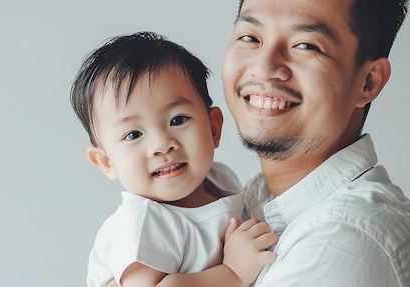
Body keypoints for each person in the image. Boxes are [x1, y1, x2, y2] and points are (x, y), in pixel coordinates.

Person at [221, 0, 410, 286]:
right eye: (250, 37)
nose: (265, 67)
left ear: (369, 81)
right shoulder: (255, 203)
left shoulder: (344, 238)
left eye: (306, 45)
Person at [70, 31, 278, 287]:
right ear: (107, 162)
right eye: (133, 134)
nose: (162, 145)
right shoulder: (143, 220)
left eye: (177, 120)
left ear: (213, 129)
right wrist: (232, 273)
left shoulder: (219, 177)